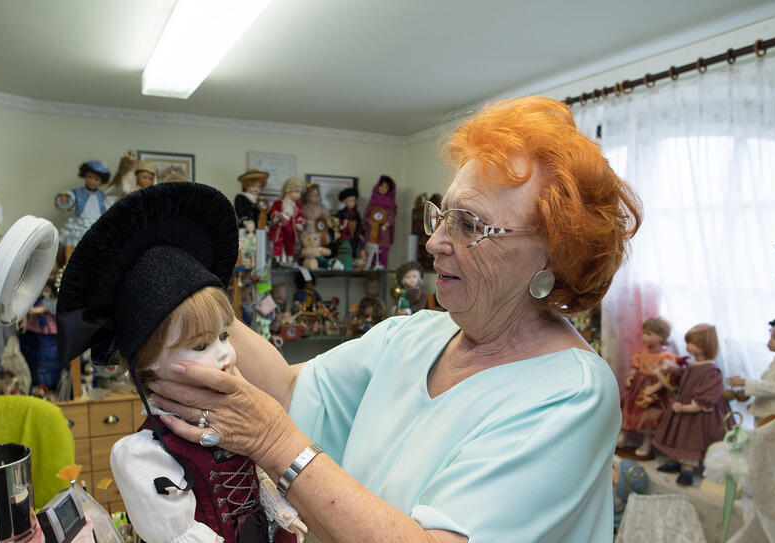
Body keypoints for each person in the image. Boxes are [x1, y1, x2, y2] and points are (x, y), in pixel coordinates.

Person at [147, 96, 642, 541]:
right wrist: (186, 287)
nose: (433, 243)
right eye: (442, 215)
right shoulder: (413, 335)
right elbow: (288, 389)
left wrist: (275, 442)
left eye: (469, 224)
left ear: (551, 256)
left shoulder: (571, 395)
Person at [55, 183, 303, 543]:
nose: (223, 354)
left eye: (223, 336)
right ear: (150, 362)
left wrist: (281, 513)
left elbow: (256, 479)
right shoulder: (144, 454)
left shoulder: (240, 413)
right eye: (200, 344)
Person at [652, 324, 730, 486]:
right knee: (679, 434)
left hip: (699, 413)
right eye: (688, 343)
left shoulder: (712, 371)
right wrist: (675, 370)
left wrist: (686, 407)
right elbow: (687, 376)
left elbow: (707, 397)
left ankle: (688, 467)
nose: (689, 347)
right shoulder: (694, 364)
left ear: (705, 346)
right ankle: (677, 461)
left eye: (693, 344)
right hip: (683, 406)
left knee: (692, 439)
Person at [618, 316, 678, 459]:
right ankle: (623, 437)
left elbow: (665, 378)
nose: (644, 337)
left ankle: (646, 443)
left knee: (648, 418)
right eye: (644, 333)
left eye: (649, 334)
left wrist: (654, 388)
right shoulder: (641, 353)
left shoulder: (666, 356)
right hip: (637, 387)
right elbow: (635, 368)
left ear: (662, 337)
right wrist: (631, 377)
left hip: (653, 392)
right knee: (628, 410)